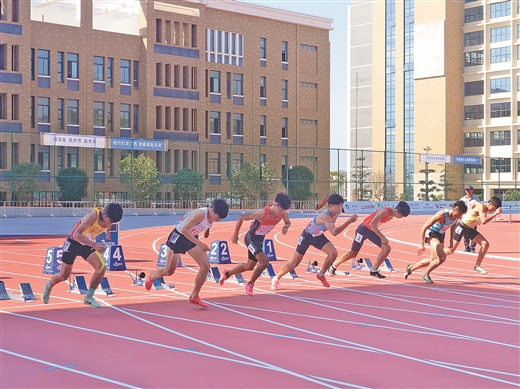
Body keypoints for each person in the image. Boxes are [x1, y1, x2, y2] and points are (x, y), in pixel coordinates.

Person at [145, 199, 229, 308]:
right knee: (169, 271)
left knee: (205, 267)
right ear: (212, 211)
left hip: (191, 238)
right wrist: (200, 244)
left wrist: (207, 232)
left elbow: (207, 225)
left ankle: (194, 296)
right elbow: (185, 230)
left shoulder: (212, 217)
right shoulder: (199, 214)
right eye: (218, 217)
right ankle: (152, 276)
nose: (219, 220)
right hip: (179, 237)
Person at [41, 203, 123, 308]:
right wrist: (94, 244)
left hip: (86, 245)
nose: (111, 223)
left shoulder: (109, 216)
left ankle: (89, 297)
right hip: (74, 243)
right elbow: (77, 235)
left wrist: (108, 232)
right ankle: (48, 286)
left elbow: (109, 223)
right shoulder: (93, 216)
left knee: (101, 268)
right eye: (110, 221)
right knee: (63, 276)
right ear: (105, 214)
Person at [270, 194, 357, 290]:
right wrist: (349, 221)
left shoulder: (335, 209)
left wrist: (320, 204)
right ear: (330, 206)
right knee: (295, 262)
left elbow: (327, 197)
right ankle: (276, 278)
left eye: (341, 205)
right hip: (307, 236)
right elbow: (334, 232)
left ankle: (321, 274)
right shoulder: (325, 216)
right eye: (337, 206)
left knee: (333, 253)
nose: (340, 208)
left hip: (318, 236)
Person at [220, 193, 292, 296]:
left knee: (249, 266)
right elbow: (241, 218)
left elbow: (288, 222)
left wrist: (285, 227)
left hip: (260, 239)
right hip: (250, 238)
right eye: (280, 210)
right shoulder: (262, 213)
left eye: (283, 210)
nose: (280, 213)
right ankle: (250, 284)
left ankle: (227, 274)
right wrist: (235, 235)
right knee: (264, 262)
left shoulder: (283, 213)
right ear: (275, 205)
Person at [330, 201, 411, 279]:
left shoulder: (393, 214)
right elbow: (371, 223)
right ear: (396, 211)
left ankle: (374, 270)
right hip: (363, 230)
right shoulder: (385, 211)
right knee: (353, 253)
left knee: (387, 248)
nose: (401, 218)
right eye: (401, 215)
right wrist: (382, 237)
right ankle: (334, 265)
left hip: (371, 231)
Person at [405, 200, 467, 284]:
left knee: (433, 260)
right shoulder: (442, 215)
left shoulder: (456, 217)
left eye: (461, 215)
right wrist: (421, 244)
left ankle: (411, 268)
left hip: (441, 235)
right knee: (442, 258)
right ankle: (426, 273)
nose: (459, 216)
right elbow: (425, 226)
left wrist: (451, 240)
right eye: (459, 213)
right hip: (432, 234)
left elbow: (453, 226)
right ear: (454, 209)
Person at [445, 196, 502, 275]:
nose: (493, 210)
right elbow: (484, 221)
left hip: (468, 229)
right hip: (461, 226)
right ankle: (437, 256)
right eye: (494, 208)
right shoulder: (481, 207)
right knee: (451, 250)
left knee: (485, 244)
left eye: (495, 210)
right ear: (490, 204)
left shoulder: (482, 207)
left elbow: (474, 203)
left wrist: (471, 208)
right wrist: (495, 214)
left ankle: (477, 265)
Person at [460, 185, 480, 253]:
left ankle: (472, 248)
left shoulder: (476, 199)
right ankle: (466, 247)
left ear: (472, 190)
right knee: (465, 233)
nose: (468, 191)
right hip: (465, 219)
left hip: (473, 218)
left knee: (473, 233)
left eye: (469, 190)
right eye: (466, 190)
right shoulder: (462, 199)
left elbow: (479, 209)